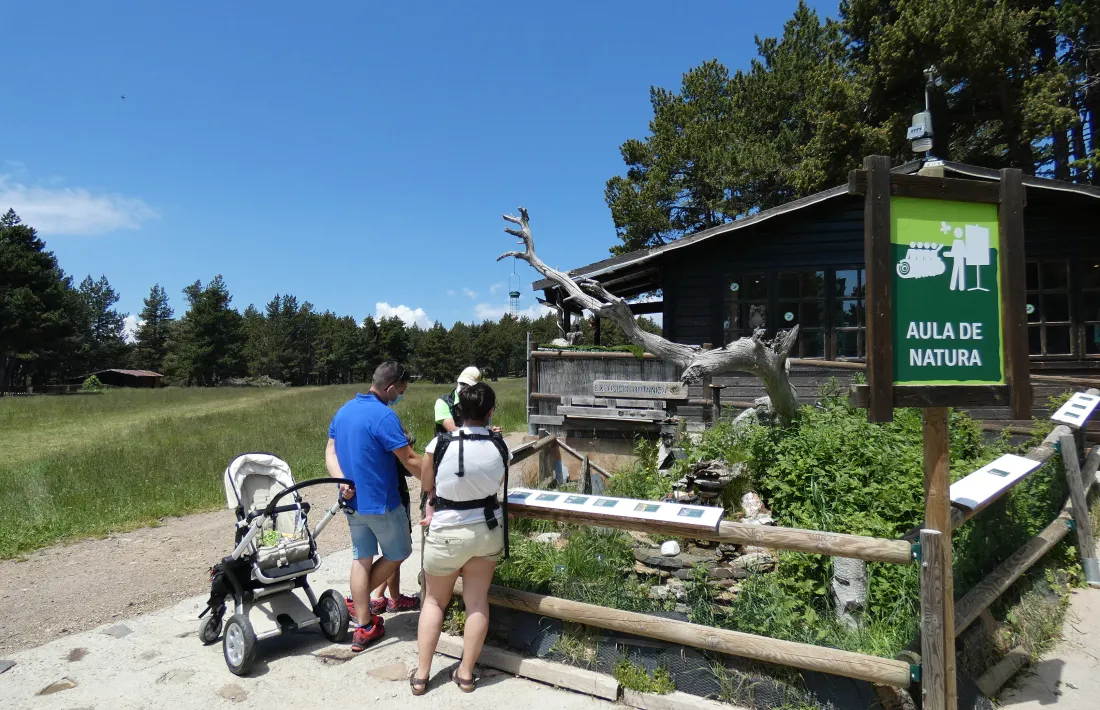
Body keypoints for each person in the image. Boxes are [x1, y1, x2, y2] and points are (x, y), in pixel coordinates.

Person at [412, 383, 510, 695]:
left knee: (434, 601)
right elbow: (497, 482)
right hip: (486, 528)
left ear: (459, 411)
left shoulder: (438, 444)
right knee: (477, 602)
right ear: (490, 412)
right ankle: (466, 674)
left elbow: (428, 483)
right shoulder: (499, 445)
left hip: (447, 531)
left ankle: (422, 675)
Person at [326, 361, 422, 652]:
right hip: (381, 502)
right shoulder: (384, 416)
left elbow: (330, 451)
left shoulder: (343, 412)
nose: (402, 394)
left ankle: (365, 626)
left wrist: (340, 481)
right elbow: (409, 459)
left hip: (352, 502)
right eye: (402, 390)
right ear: (390, 388)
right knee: (400, 552)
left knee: (361, 557)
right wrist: (432, 481)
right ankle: (361, 603)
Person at [366, 429, 421, 614]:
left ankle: (379, 596)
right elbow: (412, 469)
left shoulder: (383, 462)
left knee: (391, 554)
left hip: (384, 507)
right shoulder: (397, 463)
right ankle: (394, 598)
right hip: (397, 508)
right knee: (396, 554)